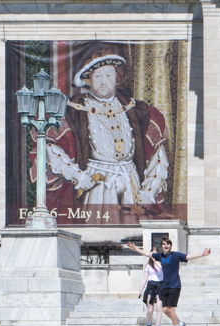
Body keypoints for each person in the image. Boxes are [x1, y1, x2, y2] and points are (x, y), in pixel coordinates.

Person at [41, 43, 170, 215]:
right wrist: (78, 177)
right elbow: (50, 148)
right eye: (98, 76)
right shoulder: (73, 110)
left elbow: (158, 155)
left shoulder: (137, 110)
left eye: (108, 75)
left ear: (116, 78)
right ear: (88, 79)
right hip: (97, 186)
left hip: (131, 183)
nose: (103, 81)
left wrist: (149, 191)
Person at [127, 238, 211, 326]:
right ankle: (179, 323)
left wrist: (202, 254)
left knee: (171, 309)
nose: (166, 246)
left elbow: (188, 256)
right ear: (161, 246)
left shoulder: (175, 255)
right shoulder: (160, 256)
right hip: (165, 286)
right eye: (164, 244)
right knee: (165, 310)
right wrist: (136, 249)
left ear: (170, 246)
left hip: (174, 286)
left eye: (168, 244)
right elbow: (147, 254)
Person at [137, 252, 164, 326]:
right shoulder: (148, 266)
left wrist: (156, 260)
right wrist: (141, 290)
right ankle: (149, 325)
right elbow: (145, 278)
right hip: (151, 286)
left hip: (160, 285)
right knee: (150, 309)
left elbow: (160, 267)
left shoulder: (162, 264)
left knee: (159, 308)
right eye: (152, 255)